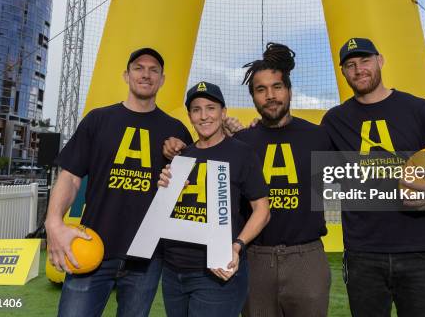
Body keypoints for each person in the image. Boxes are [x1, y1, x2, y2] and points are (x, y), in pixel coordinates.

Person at [163, 44, 332, 316]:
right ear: (252, 96)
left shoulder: (319, 136)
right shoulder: (241, 141)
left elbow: (349, 184)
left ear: (288, 90)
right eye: (261, 90)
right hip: (254, 256)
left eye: (277, 87)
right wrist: (175, 154)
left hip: (307, 257)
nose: (270, 96)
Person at [320, 37, 425, 317]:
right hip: (362, 253)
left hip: (420, 251)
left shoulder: (419, 109)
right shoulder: (334, 120)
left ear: (380, 61)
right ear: (343, 72)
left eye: (365, 60)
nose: (358, 69)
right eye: (350, 65)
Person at [45, 47, 192, 317]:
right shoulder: (98, 119)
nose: (146, 74)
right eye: (138, 67)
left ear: (162, 80)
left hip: (147, 257)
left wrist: (182, 157)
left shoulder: (177, 131)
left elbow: (191, 188)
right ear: (126, 75)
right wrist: (53, 221)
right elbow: (70, 176)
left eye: (153, 70)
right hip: (91, 246)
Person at [158, 81, 270, 317]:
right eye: (196, 109)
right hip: (172, 270)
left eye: (211, 108)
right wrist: (164, 190)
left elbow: (262, 209)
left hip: (216, 271)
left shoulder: (241, 152)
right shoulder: (181, 156)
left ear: (223, 113)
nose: (204, 116)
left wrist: (237, 247)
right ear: (190, 116)